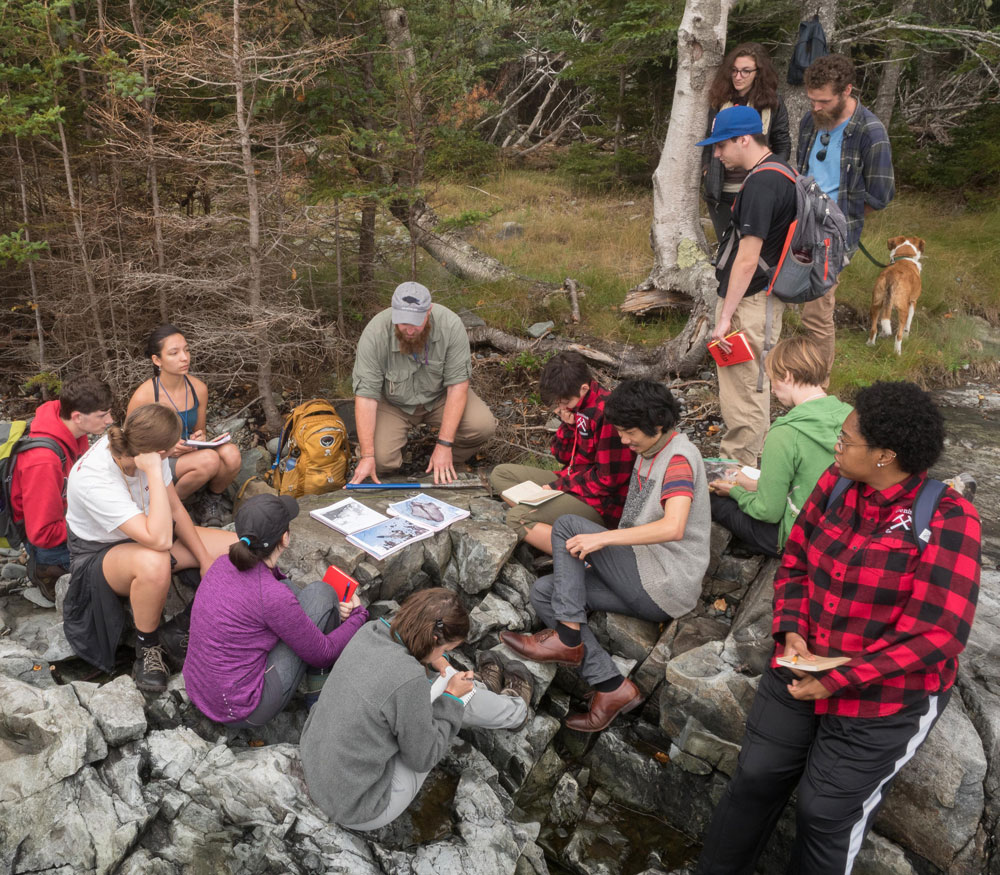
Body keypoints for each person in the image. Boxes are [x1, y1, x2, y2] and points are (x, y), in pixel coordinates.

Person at [696, 381, 981, 875]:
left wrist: (836, 678)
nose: (837, 446)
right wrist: (790, 629)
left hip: (886, 695)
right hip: (804, 660)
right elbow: (797, 562)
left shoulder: (949, 518)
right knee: (755, 776)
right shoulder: (838, 483)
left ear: (885, 456)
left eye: (847, 439)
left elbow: (937, 634)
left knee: (824, 812)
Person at [500, 380, 710, 733]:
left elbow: (674, 527)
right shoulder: (651, 451)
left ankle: (568, 638)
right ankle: (613, 687)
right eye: (620, 432)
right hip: (642, 574)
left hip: (664, 578)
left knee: (568, 525)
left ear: (657, 424)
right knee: (544, 592)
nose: (624, 441)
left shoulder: (678, 459)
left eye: (629, 433)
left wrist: (604, 541)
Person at [300, 587, 535, 830]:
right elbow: (424, 758)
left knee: (439, 684)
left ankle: (483, 689)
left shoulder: (369, 631)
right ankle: (515, 711)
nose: (444, 655)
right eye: (445, 650)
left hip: (315, 765)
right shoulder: (409, 680)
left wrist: (432, 657)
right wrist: (452, 700)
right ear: (434, 639)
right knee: (453, 696)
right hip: (357, 805)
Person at [64, 404, 237, 693]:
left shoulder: (147, 456)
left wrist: (205, 560)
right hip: (100, 554)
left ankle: (181, 629)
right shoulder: (94, 478)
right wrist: (155, 474)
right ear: (157, 454)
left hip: (146, 533)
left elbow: (176, 510)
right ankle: (148, 649)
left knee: (236, 547)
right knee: (155, 562)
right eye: (170, 452)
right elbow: (160, 541)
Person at [183, 494, 368, 727]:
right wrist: (358, 616)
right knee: (322, 593)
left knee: (291, 588)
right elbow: (324, 652)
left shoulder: (222, 562)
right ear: (285, 538)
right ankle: (318, 692)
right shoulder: (271, 596)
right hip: (241, 709)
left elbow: (267, 586)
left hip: (201, 690)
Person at [696, 105, 798, 466]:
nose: (718, 155)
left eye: (721, 146)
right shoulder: (782, 173)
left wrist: (725, 318)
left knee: (746, 389)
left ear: (744, 139)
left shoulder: (761, 183)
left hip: (752, 301)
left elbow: (747, 258)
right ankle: (753, 463)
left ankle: (738, 470)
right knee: (753, 384)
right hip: (762, 299)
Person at [798, 54, 895, 383]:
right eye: (811, 100)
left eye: (823, 101)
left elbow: (880, 196)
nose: (816, 107)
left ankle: (817, 388)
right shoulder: (810, 121)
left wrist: (837, 218)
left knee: (817, 309)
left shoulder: (871, 132)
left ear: (847, 91)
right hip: (797, 225)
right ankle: (786, 370)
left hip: (834, 237)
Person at [708, 337, 852, 557]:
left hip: (802, 537)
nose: (772, 390)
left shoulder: (786, 432)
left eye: (772, 379)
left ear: (787, 376)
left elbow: (768, 512)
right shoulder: (851, 416)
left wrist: (736, 491)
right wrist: (756, 484)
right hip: (843, 526)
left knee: (715, 500)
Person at [350, 282, 496, 486]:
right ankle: (392, 455)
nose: (409, 330)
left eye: (415, 323)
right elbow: (366, 397)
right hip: (393, 403)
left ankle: (448, 461)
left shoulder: (451, 326)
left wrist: (444, 445)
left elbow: (457, 387)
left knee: (482, 425)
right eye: (403, 323)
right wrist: (367, 456)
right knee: (381, 460)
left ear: (429, 312)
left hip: (439, 398)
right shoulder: (375, 333)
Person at [489, 351, 633, 554]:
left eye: (564, 402)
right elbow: (562, 456)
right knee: (501, 474)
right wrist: (567, 425)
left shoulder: (607, 414)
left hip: (599, 506)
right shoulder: (577, 409)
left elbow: (607, 480)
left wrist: (559, 487)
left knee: (517, 517)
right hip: (573, 482)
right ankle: (546, 520)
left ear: (584, 388)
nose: (561, 406)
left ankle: (587, 557)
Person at [10, 375, 113, 600]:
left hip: (67, 515)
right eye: (103, 415)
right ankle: (45, 570)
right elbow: (42, 534)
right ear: (77, 416)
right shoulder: (43, 461)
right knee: (118, 558)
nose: (110, 421)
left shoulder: (74, 431)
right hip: (49, 545)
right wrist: (100, 526)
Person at [127, 325, 242, 526]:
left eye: (186, 350)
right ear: (157, 360)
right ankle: (168, 508)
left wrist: (200, 439)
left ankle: (209, 501)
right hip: (159, 460)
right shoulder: (145, 395)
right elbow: (128, 446)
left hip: (189, 454)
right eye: (174, 353)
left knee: (231, 454)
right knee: (209, 460)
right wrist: (168, 450)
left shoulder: (197, 388)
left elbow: (200, 430)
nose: (184, 357)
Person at [702, 42, 791, 244]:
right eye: (734, 71)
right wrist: (707, 170)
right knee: (727, 245)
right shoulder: (719, 99)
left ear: (758, 73)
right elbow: (709, 140)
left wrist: (772, 175)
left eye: (745, 71)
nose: (738, 76)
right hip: (721, 191)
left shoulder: (772, 103)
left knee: (753, 246)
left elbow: (782, 142)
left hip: (756, 188)